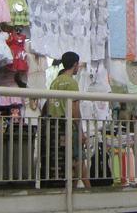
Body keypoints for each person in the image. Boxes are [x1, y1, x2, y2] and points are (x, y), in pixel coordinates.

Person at [47, 51, 91, 189]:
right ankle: (89, 190)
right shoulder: (72, 83)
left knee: (67, 159)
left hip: (56, 127)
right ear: (75, 64)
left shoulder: (54, 82)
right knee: (79, 159)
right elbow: (75, 109)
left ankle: (71, 190)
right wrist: (81, 130)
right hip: (70, 127)